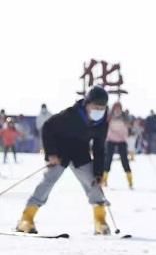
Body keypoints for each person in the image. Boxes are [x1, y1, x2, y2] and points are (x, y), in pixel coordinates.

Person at [16, 86, 110, 235]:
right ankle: (26, 218)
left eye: (102, 107)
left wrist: (99, 172)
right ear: (87, 104)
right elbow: (48, 127)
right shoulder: (70, 115)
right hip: (60, 151)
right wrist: (51, 153)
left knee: (93, 183)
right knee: (48, 181)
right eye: (96, 106)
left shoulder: (102, 123)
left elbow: (99, 148)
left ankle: (100, 220)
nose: (99, 110)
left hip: (80, 153)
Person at [103, 102, 133, 189]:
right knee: (108, 159)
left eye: (119, 107)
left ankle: (130, 179)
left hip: (122, 140)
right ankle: (104, 179)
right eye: (116, 107)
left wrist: (126, 121)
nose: (117, 109)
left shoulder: (124, 116)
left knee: (124, 160)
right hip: (111, 139)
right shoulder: (110, 116)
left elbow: (129, 125)